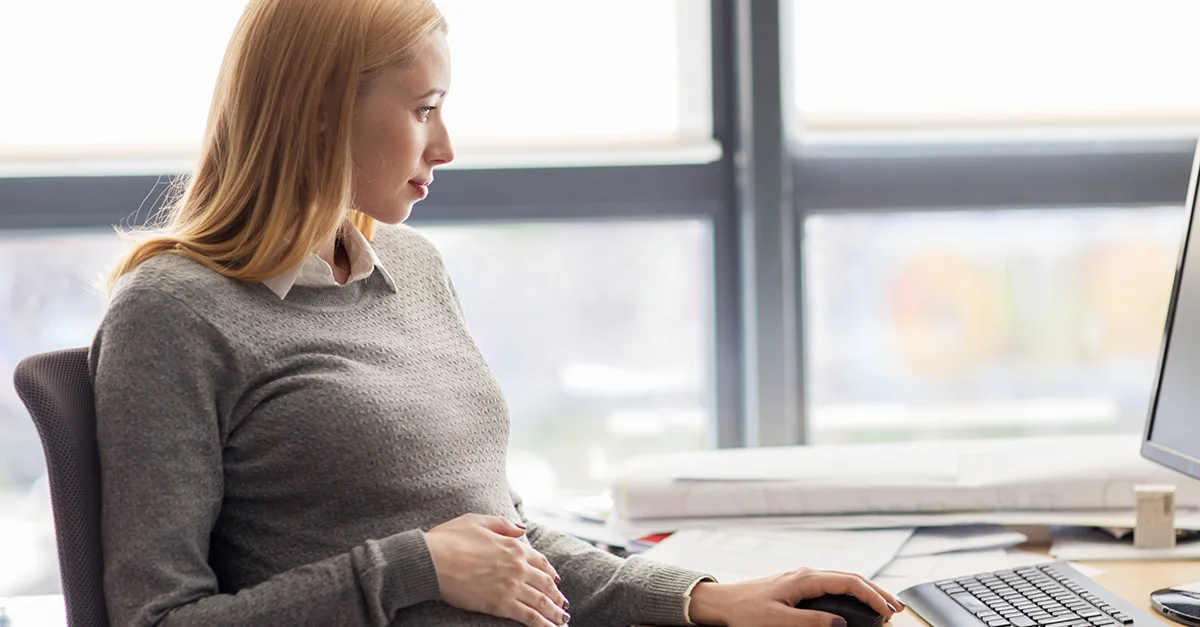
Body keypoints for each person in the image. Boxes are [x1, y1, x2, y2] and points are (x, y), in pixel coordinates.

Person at [89, 0, 905, 625]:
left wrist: (704, 597)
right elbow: (156, 616)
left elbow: (505, 541)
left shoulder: (411, 268)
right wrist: (407, 567)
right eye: (422, 109)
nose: (445, 146)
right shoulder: (174, 313)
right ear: (319, 111)